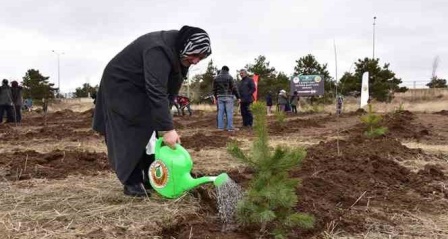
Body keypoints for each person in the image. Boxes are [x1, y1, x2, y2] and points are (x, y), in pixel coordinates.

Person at [92, 26, 212, 197]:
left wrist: (163, 121)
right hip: (121, 86)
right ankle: (132, 182)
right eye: (194, 55)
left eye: (200, 57)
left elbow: (170, 91)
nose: (195, 61)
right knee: (130, 130)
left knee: (150, 130)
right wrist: (168, 129)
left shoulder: (179, 54)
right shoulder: (158, 49)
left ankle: (152, 177)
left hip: (142, 87)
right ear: (185, 46)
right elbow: (156, 90)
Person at [213, 66, 240, 131]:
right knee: (229, 112)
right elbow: (234, 88)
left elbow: (214, 89)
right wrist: (238, 97)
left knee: (220, 112)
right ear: (227, 70)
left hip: (219, 97)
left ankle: (220, 127)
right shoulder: (229, 77)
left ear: (222, 70)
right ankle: (230, 128)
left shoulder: (216, 78)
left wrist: (215, 98)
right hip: (228, 96)